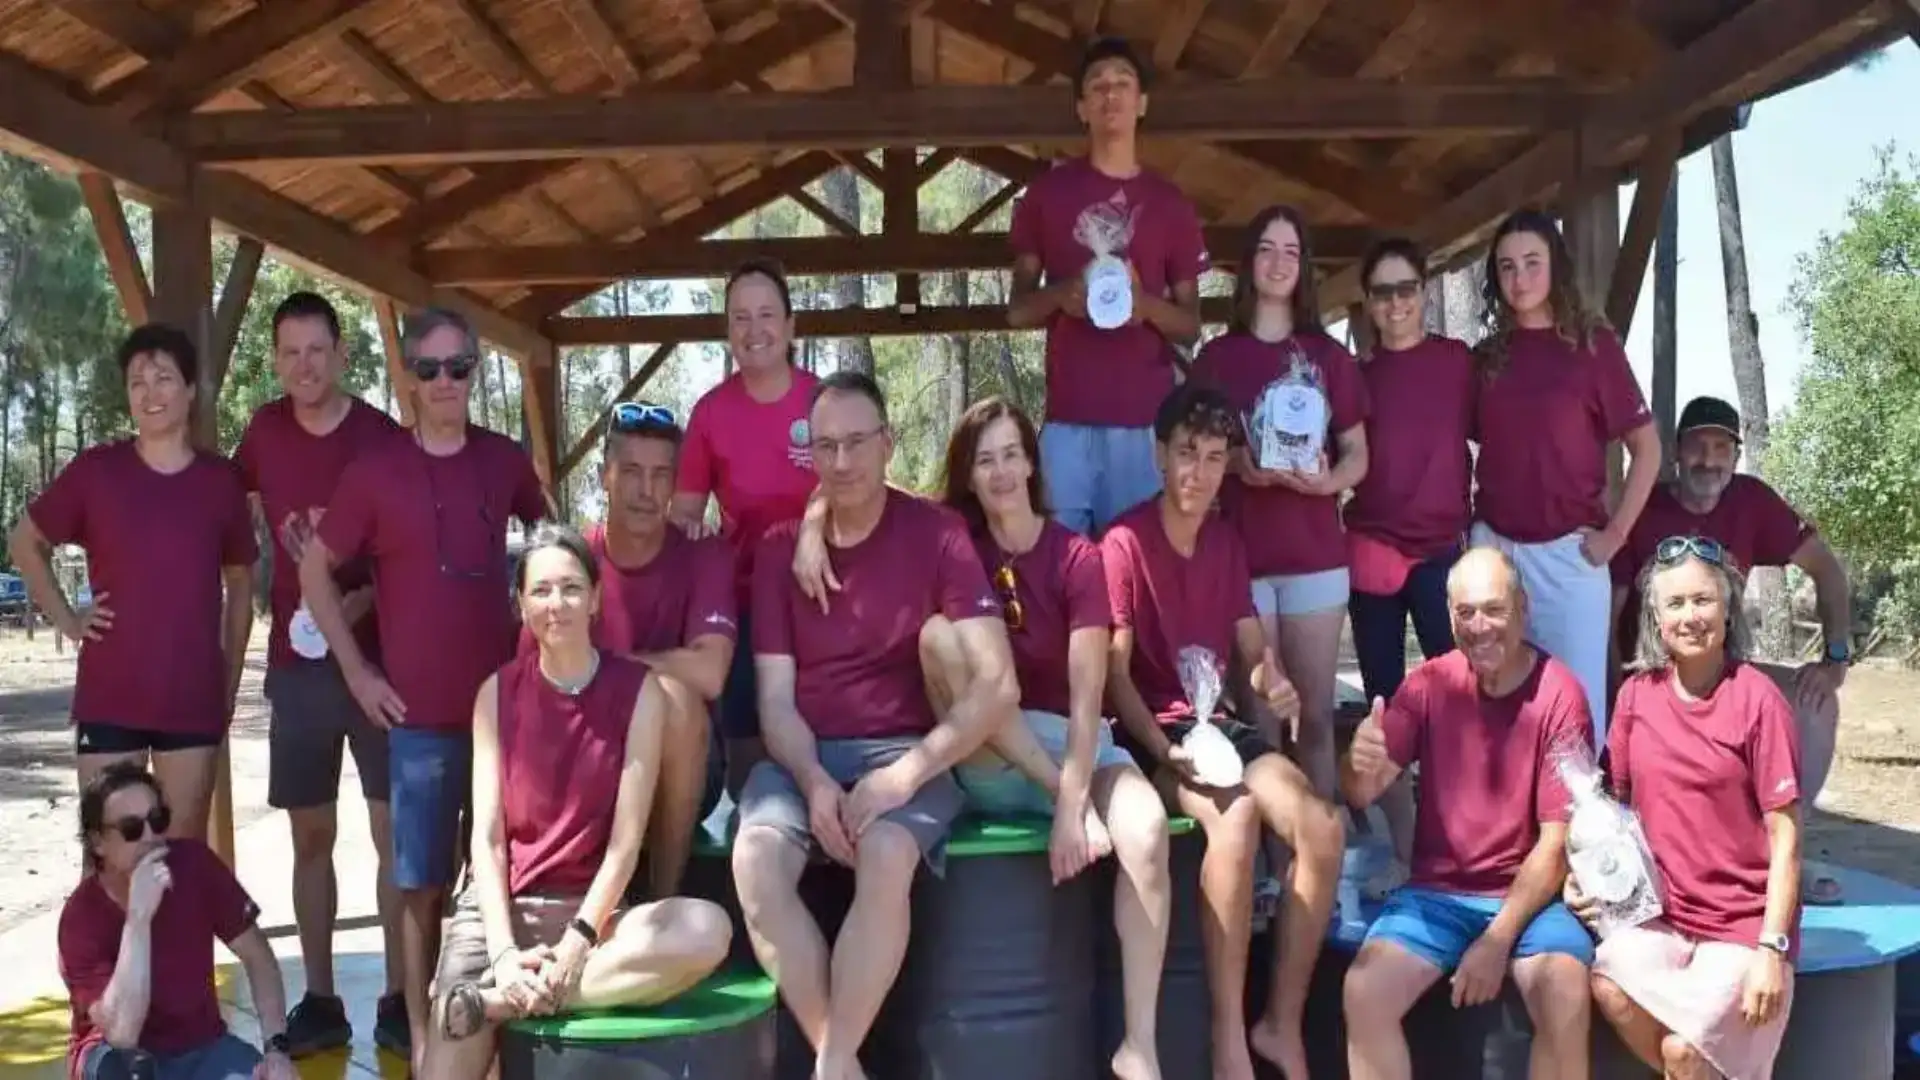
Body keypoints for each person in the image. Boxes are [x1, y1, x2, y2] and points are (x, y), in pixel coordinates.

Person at [731, 371, 1023, 1080]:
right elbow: (775, 702)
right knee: (754, 863)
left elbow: (998, 685)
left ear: (887, 444)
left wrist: (904, 775)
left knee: (887, 858)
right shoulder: (779, 550)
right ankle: (845, 1064)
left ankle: (831, 1067)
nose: (841, 462)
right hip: (806, 755)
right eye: (825, 447)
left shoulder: (937, 534)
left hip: (908, 751)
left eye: (856, 442)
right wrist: (813, 780)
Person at [298, 307, 547, 1072]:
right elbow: (313, 574)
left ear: (476, 372)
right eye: (430, 368)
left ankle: (503, 1033)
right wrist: (357, 671)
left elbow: (552, 549)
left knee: (507, 876)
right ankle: (419, 1029)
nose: (445, 382)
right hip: (418, 724)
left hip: (506, 719)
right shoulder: (373, 474)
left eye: (459, 367)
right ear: (409, 377)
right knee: (421, 889)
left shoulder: (504, 462)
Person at [424, 526, 732, 1079]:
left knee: (707, 929)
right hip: (503, 910)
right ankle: (509, 989)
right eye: (540, 591)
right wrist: (501, 955)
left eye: (570, 588)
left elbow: (624, 845)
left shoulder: (640, 695)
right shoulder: (495, 695)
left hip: (593, 913)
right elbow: (488, 840)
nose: (556, 604)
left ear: (595, 598)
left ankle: (510, 1002)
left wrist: (575, 944)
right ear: (520, 604)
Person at [1100, 382, 1344, 1080]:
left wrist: (1276, 681)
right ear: (1159, 455)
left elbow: (1251, 652)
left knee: (1322, 827)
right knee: (1234, 824)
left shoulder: (1226, 540)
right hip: (1153, 735)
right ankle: (1226, 1038)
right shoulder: (1123, 542)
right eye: (1186, 454)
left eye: (1213, 457)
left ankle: (1280, 1023)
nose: (1199, 473)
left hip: (1220, 727)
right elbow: (1115, 674)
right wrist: (1164, 751)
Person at [942, 396, 1174, 1080]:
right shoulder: (956, 550)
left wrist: (1074, 799)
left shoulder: (1078, 556)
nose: (1002, 471)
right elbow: (863, 485)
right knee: (956, 663)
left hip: (1076, 742)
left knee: (1149, 829)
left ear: (1033, 463)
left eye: (1012, 453)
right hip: (992, 751)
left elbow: (1086, 695)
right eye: (985, 460)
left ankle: (1139, 1043)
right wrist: (810, 525)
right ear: (969, 475)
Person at [1338, 547, 1595, 1080]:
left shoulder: (1561, 693)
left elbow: (1556, 842)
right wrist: (1358, 761)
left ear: (1523, 609)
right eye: (1465, 612)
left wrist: (1497, 940)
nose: (1480, 627)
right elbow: (1361, 792)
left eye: (1494, 609)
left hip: (1531, 898)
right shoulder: (1429, 682)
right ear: (1449, 616)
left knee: (1565, 993)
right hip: (1437, 893)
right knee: (1363, 991)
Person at [233, 291, 408, 1056]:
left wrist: (357, 599)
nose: (304, 365)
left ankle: (401, 997)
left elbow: (401, 551)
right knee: (311, 835)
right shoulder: (263, 433)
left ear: (341, 354)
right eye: (290, 352)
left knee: (389, 835)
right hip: (298, 669)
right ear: (275, 362)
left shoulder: (378, 436)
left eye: (317, 350)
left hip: (377, 662)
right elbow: (232, 529)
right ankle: (323, 998)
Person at [8, 324, 256, 843]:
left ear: (190, 391)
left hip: (191, 701)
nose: (150, 392)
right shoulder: (96, 472)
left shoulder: (220, 483)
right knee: (109, 862)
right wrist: (70, 621)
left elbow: (239, 592)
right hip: (110, 698)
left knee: (179, 860)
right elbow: (25, 543)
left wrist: (226, 687)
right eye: (137, 382)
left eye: (163, 378)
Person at [1608, 395, 1849, 903]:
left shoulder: (1753, 501)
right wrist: (1615, 683)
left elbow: (1828, 569)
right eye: (1698, 447)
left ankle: (1782, 854)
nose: (1710, 460)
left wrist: (1836, 661)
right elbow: (1612, 609)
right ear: (1676, 453)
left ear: (1736, 457)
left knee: (1816, 702)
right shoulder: (1645, 507)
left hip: (1726, 676)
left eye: (1722, 448)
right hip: (1652, 676)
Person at [1582, 536, 1802, 1080]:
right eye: (1675, 604)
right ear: (1655, 617)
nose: (1690, 616)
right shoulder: (1636, 695)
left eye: (1703, 600)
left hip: (1743, 927)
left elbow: (1788, 839)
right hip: (1664, 919)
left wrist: (1771, 950)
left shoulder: (1758, 701)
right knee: (1607, 980)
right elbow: (1616, 812)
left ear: (1729, 607)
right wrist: (1586, 879)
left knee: (1685, 1054)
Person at [1190, 205, 1370, 802]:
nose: (1278, 262)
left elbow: (1357, 456)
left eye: (1291, 251)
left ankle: (1319, 860)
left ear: (1304, 267)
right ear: (1248, 265)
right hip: (1241, 560)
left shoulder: (1329, 357)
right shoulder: (1216, 360)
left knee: (1316, 719)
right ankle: (1270, 868)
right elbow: (1193, 457)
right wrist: (1241, 466)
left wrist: (1324, 485)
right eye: (1267, 249)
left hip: (1316, 559)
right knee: (1259, 720)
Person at [1471, 209, 1663, 740]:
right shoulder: (1487, 358)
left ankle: (1576, 823)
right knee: (1495, 706)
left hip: (1569, 555)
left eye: (1533, 262)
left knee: (1576, 711)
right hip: (1495, 552)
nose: (1520, 278)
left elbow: (1647, 450)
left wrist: (1615, 537)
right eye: (1506, 267)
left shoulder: (1593, 349)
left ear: (1556, 265)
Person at [1007, 35, 1208, 536]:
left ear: (1141, 103)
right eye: (1096, 86)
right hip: (1066, 425)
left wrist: (1144, 306)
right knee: (1062, 572)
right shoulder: (1046, 196)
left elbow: (1190, 325)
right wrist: (1061, 296)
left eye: (1122, 83)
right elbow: (1015, 311)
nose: (1109, 94)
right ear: (1081, 107)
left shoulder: (1170, 203)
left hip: (1145, 427)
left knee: (1134, 575)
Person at [1342, 238, 1476, 894]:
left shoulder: (1457, 363)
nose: (1395, 302)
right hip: (1371, 549)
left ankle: (1464, 849)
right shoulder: (1355, 376)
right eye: (1382, 291)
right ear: (1367, 303)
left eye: (1406, 288)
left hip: (1443, 553)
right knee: (1385, 705)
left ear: (1423, 291)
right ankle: (1401, 853)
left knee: (1462, 705)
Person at [672, 260, 822, 792]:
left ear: (790, 326)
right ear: (728, 331)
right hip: (744, 600)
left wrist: (814, 524)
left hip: (823, 593)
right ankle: (752, 843)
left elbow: (860, 484)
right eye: (740, 318)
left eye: (766, 314)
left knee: (826, 738)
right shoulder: (711, 413)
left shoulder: (822, 401)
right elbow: (683, 516)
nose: (754, 329)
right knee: (750, 753)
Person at [577, 401, 737, 896]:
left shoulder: (703, 555)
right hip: (590, 753)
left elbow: (710, 673)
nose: (646, 492)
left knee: (679, 697)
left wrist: (599, 666)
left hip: (685, 767)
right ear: (605, 476)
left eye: (660, 475)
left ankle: (664, 900)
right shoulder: (572, 560)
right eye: (631, 473)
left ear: (675, 484)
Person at [58, 763, 296, 1080]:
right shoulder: (81, 917)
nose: (150, 837)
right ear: (98, 842)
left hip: (202, 1047)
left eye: (158, 821)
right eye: (131, 829)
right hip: (117, 1057)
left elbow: (257, 955)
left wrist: (276, 1049)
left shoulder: (194, 865)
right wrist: (138, 920)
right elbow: (122, 1032)